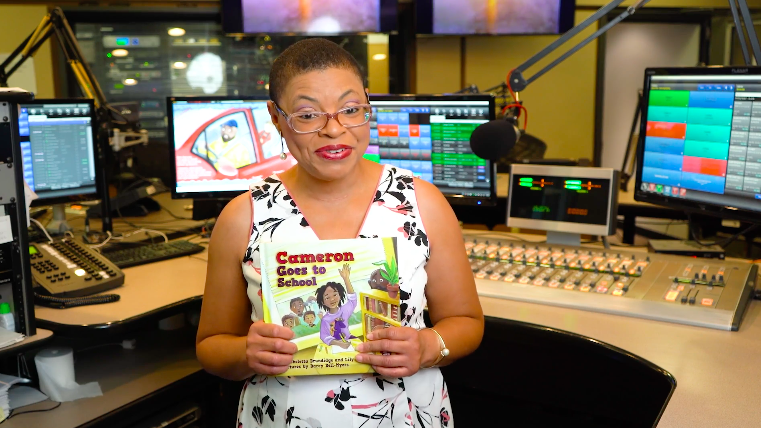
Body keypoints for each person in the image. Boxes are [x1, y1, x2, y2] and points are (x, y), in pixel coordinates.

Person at [196, 38, 484, 428]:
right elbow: (211, 347)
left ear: (368, 103)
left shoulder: (421, 202)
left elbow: (467, 321)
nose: (334, 131)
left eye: (351, 110)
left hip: (407, 415)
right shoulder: (243, 216)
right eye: (308, 115)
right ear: (276, 117)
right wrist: (247, 353)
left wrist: (428, 345)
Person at [316, 264, 357, 349]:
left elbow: (353, 299)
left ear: (340, 295)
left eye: (335, 295)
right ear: (323, 302)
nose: (332, 299)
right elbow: (324, 337)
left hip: (349, 341)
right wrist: (338, 343)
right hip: (335, 346)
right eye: (327, 297)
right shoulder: (325, 319)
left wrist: (346, 279)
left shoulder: (345, 310)